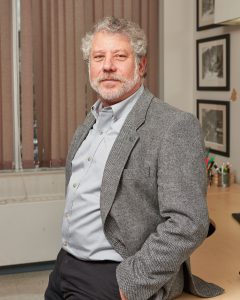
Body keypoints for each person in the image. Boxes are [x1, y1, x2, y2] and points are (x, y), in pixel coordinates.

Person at [45, 16, 223, 300]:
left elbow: (190, 222)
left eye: (120, 56)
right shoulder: (89, 123)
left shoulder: (173, 126)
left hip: (115, 274)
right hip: (65, 265)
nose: (107, 66)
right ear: (89, 66)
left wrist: (131, 283)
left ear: (141, 64)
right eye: (98, 56)